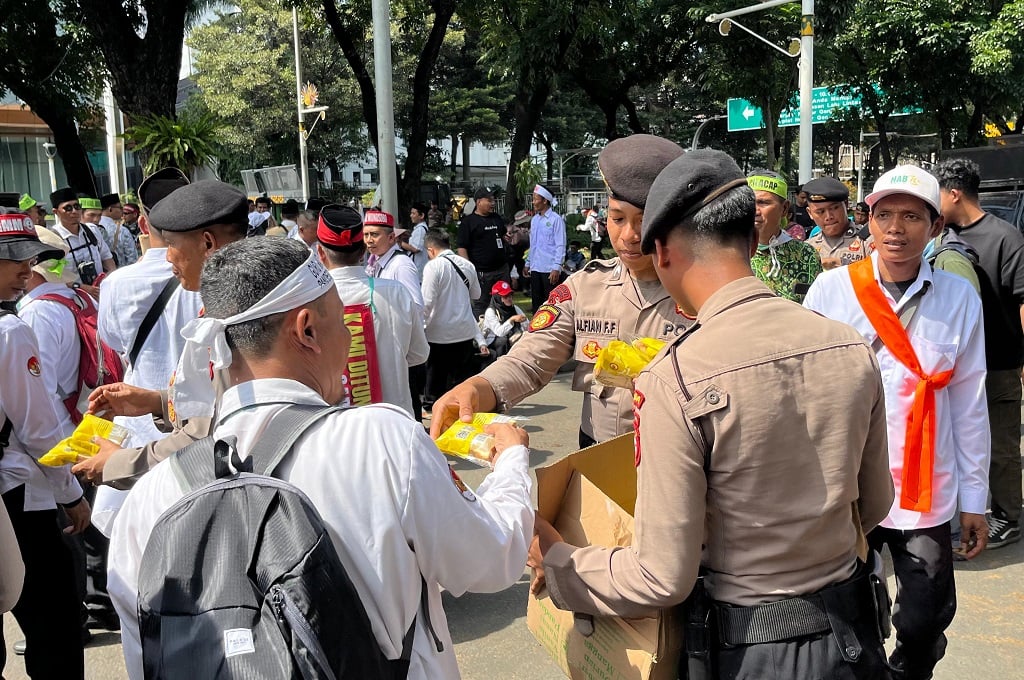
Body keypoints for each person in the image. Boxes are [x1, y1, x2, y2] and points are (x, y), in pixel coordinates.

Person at [529, 149, 895, 680]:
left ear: (661, 251)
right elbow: (876, 501)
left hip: (750, 649)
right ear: (751, 240)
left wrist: (558, 559)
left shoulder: (674, 378)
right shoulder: (847, 345)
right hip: (853, 638)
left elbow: (660, 578)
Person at [106, 237, 534, 680]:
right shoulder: (382, 441)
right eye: (343, 324)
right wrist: (512, 463)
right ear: (307, 329)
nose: (348, 339)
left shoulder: (150, 499)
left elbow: (147, 659)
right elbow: (492, 559)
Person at [804, 165, 990, 679]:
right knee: (846, 614)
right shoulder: (830, 293)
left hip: (924, 487)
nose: (895, 228)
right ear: (868, 221)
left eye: (911, 215)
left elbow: (970, 404)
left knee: (925, 617)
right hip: (847, 486)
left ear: (934, 227)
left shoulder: (959, 300)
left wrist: (975, 500)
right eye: (883, 214)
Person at [431, 134, 692, 448]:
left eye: (645, 220)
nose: (630, 235)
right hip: (598, 453)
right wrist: (478, 387)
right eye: (617, 218)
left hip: (679, 457)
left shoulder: (701, 291)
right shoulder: (586, 287)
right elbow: (530, 359)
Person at [71, 180, 250, 489]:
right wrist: (156, 401)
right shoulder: (240, 299)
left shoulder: (241, 318)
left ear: (207, 244)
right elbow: (218, 407)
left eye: (171, 245)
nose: (166, 258)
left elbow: (214, 432)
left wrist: (120, 464)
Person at [0, 210, 90, 679]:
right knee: (54, 623)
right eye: (8, 259)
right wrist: (71, 495)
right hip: (19, 498)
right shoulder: (10, 330)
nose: (23, 268)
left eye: (26, 258)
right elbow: (37, 430)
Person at [936, 156, 1024, 549]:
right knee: (962, 441)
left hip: (1000, 362)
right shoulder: (940, 237)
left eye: (936, 194)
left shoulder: (1005, 237)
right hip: (957, 364)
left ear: (954, 193)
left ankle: (1010, 516)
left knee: (1001, 445)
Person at [316, 204, 429, 417]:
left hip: (340, 428)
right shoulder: (396, 292)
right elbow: (418, 354)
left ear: (320, 252)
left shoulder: (311, 302)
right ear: (362, 249)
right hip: (396, 425)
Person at [421, 229, 488, 409]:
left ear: (431, 250)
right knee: (460, 382)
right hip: (465, 331)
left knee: (436, 383)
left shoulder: (433, 267)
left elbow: (426, 303)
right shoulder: (467, 265)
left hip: (439, 333)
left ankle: (435, 412)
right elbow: (477, 294)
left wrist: (419, 327)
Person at [747, 170, 823, 302]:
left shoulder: (806, 255)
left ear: (784, 209)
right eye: (749, 202)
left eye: (763, 202)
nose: (755, 210)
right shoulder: (731, 254)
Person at [48, 187, 115, 298]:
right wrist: (83, 288)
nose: (74, 211)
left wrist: (109, 279)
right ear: (56, 212)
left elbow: (107, 259)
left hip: (101, 294)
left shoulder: (92, 231)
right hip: (74, 299)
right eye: (68, 208)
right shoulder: (53, 239)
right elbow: (54, 277)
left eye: (77, 206)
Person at [457, 187, 510, 319]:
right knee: (481, 305)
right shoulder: (468, 222)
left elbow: (502, 236)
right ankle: (481, 335)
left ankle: (506, 331)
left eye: (494, 200)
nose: (493, 203)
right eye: (489, 200)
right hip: (481, 274)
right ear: (479, 202)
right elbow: (462, 248)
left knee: (505, 301)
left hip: (501, 270)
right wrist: (469, 269)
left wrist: (507, 237)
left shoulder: (496, 218)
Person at [365, 209, 424, 310]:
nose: (369, 240)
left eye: (374, 234)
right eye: (366, 235)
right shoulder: (377, 261)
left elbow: (416, 307)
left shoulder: (401, 265)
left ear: (391, 237)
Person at [804, 177, 868, 269]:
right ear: (810, 213)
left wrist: (843, 264)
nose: (828, 216)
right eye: (820, 212)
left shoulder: (866, 241)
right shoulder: (808, 247)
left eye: (834, 208)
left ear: (846, 204)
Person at [526, 184, 566, 312]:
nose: (533, 202)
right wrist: (528, 263)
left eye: (536, 199)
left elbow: (560, 244)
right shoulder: (535, 220)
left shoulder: (556, 220)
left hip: (549, 269)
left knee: (551, 305)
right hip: (535, 268)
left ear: (545, 200)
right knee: (537, 305)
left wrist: (557, 267)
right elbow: (533, 244)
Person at [481, 280, 526, 359]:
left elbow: (527, 325)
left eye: (510, 295)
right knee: (502, 340)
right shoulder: (490, 312)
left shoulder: (514, 308)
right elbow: (499, 332)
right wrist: (511, 319)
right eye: (505, 296)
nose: (509, 298)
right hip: (493, 341)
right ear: (497, 298)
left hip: (509, 337)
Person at [99, 193, 138, 267]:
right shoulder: (122, 231)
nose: (122, 211)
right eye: (120, 207)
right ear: (110, 209)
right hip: (120, 274)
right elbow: (132, 259)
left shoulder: (91, 229)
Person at [406, 202, 430, 276]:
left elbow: (416, 249)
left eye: (413, 213)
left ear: (422, 215)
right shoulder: (420, 228)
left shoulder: (420, 230)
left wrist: (400, 243)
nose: (411, 216)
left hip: (418, 266)